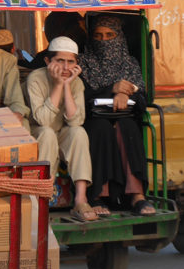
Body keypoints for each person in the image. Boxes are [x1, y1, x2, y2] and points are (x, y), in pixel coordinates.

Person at [79, 14, 155, 216]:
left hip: (124, 118)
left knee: (128, 127)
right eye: (98, 35)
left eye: (109, 35)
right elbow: (82, 95)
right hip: (93, 119)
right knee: (101, 128)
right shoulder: (84, 63)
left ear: (119, 37)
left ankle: (137, 196)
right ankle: (98, 195)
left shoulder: (129, 64)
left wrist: (125, 92)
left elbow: (142, 99)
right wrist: (112, 89)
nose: (104, 41)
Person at [27, 36, 97, 222]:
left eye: (70, 62)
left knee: (79, 133)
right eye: (60, 61)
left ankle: (81, 199)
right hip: (38, 133)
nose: (65, 68)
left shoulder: (77, 82)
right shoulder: (35, 78)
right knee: (48, 133)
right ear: (48, 61)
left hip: (62, 132)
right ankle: (42, 197)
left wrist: (66, 85)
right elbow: (43, 120)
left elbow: (76, 121)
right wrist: (58, 85)